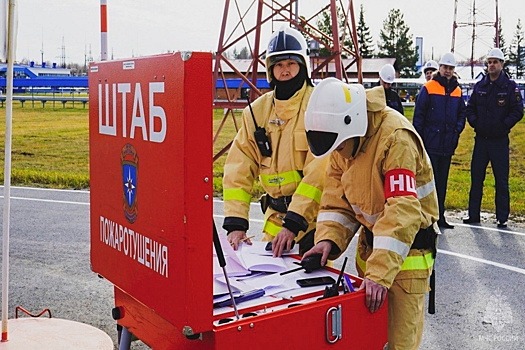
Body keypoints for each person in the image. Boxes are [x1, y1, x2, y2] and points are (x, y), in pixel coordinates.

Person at [303, 77, 439, 349]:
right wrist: (327, 241)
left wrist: (378, 274)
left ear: (353, 125)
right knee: (366, 341)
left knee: (399, 344)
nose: (338, 153)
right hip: (372, 258)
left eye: (339, 147)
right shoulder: (344, 142)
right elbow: (336, 201)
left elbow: (402, 211)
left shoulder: (396, 139)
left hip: (406, 261)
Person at [222, 26, 327, 257]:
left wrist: (294, 223)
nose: (285, 70)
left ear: (303, 65)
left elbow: (319, 173)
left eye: (291, 63)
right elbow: (238, 167)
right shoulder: (256, 112)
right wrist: (236, 224)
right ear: (270, 70)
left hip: (313, 225)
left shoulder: (318, 106)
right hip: (275, 221)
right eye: (278, 65)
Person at [463, 48, 524, 228]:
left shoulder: (509, 87)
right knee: (476, 178)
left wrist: (504, 125)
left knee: (501, 180)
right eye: (489, 62)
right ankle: (473, 214)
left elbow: (517, 111)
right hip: (481, 140)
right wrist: (476, 123)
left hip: (499, 141)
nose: (491, 65)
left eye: (495, 62)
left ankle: (502, 216)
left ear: (502, 64)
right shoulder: (480, 86)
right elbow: (470, 108)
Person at [413, 52, 466, 229]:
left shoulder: (457, 90)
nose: (448, 71)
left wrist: (456, 131)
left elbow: (461, 114)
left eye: (451, 68)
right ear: (440, 68)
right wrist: (420, 141)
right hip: (430, 144)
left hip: (447, 145)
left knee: (442, 183)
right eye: (445, 67)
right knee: (427, 184)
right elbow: (419, 117)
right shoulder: (428, 88)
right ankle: (426, 217)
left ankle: (440, 216)